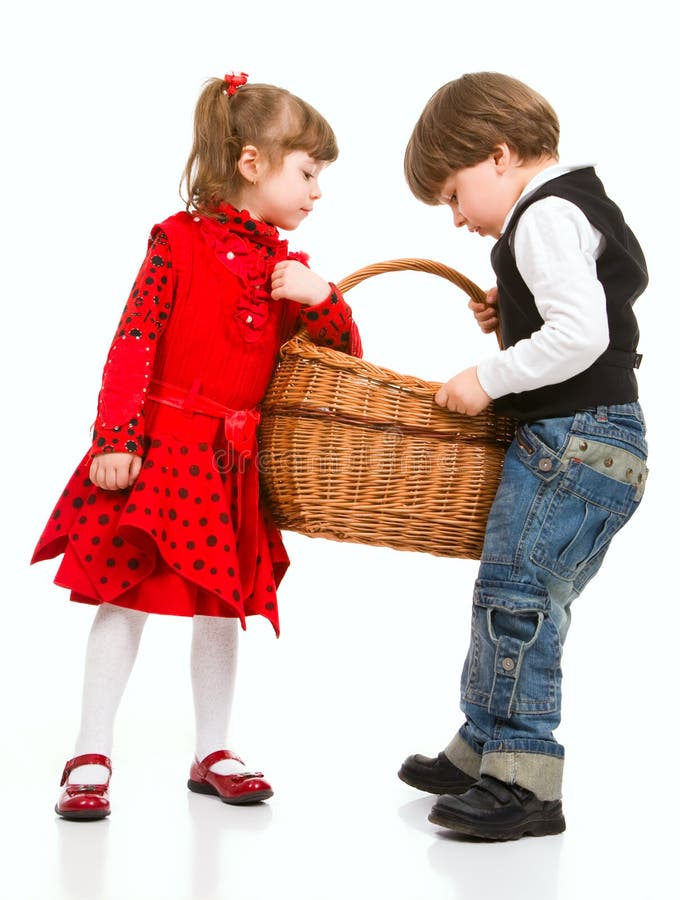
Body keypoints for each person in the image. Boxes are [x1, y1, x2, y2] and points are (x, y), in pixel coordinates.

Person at [31, 72, 361, 821]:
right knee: (122, 593)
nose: (317, 190)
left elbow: (340, 366)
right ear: (252, 163)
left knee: (222, 606)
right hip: (157, 454)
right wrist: (116, 438)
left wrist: (324, 300)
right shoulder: (176, 242)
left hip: (229, 467)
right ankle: (91, 746)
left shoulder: (289, 273)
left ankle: (212, 747)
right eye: (307, 171)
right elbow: (134, 340)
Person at [398, 72, 648, 840]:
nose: (455, 218)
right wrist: (509, 312)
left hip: (572, 443)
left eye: (451, 194)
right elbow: (587, 305)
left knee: (519, 605)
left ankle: (524, 777)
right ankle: (484, 745)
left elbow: (581, 336)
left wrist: (489, 374)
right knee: (512, 593)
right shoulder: (576, 205)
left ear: (499, 156)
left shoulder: (541, 217)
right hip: (594, 444)